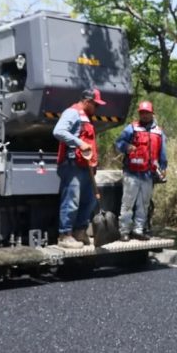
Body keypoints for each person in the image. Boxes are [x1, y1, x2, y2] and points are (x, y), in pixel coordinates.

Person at [52, 88, 106, 249]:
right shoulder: (72, 112)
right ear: (87, 101)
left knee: (89, 201)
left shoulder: (87, 117)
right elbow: (58, 131)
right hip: (73, 165)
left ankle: (80, 231)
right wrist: (79, 143)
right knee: (71, 201)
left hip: (86, 166)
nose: (97, 108)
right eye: (96, 105)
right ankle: (65, 235)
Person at [114, 100, 167, 241]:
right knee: (128, 203)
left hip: (148, 174)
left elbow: (162, 153)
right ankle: (124, 231)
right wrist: (126, 147)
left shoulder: (158, 132)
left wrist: (163, 169)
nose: (144, 115)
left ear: (152, 113)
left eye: (147, 113)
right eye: (142, 113)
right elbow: (119, 143)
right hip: (131, 172)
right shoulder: (132, 128)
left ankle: (138, 230)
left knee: (143, 204)